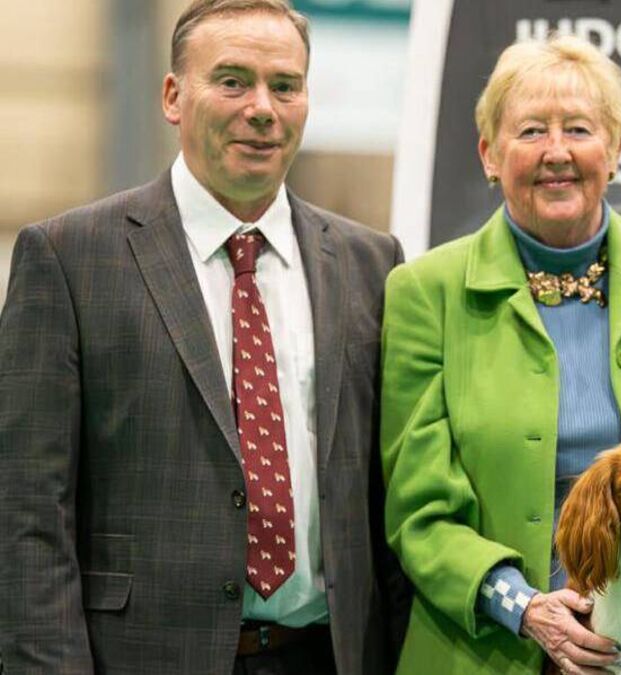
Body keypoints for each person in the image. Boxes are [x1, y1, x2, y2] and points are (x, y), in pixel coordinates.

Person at [0, 1, 406, 672]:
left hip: (328, 655)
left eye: (285, 85)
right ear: (172, 96)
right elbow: (26, 514)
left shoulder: (372, 264)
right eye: (232, 81)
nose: (262, 108)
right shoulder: (70, 257)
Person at [380, 35, 621, 675]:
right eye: (531, 130)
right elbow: (420, 512)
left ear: (614, 150)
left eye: (580, 130)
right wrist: (521, 606)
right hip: (491, 650)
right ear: (489, 154)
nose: (557, 152)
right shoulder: (425, 292)